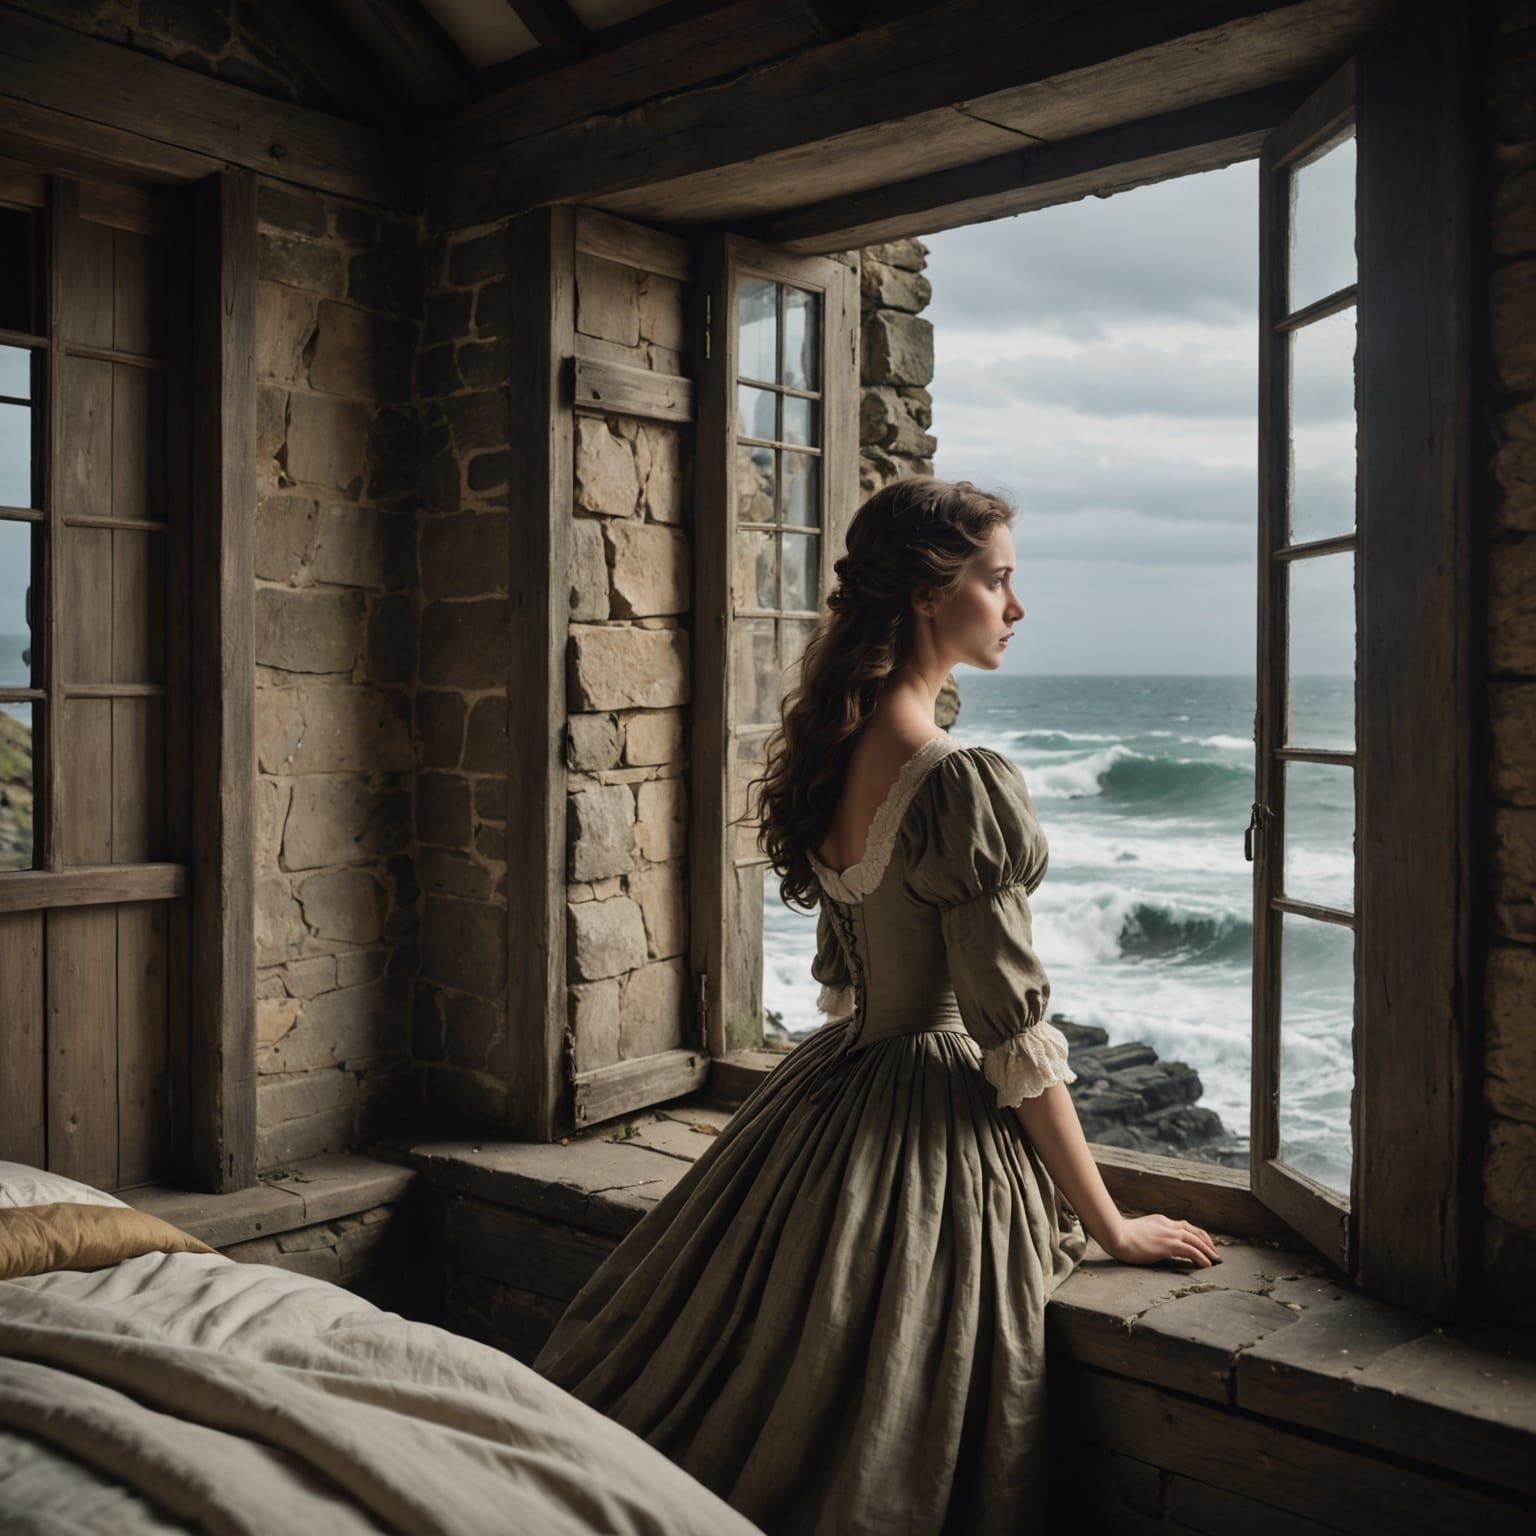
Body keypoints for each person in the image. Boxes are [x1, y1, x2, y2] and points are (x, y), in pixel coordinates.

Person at [535, 476, 1221, 1535]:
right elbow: (1014, 1037)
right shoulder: (954, 778)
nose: (1017, 606)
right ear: (926, 594)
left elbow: (852, 982)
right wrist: (1112, 1224)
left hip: (835, 1081)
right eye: (997, 581)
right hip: (923, 1112)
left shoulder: (842, 746)